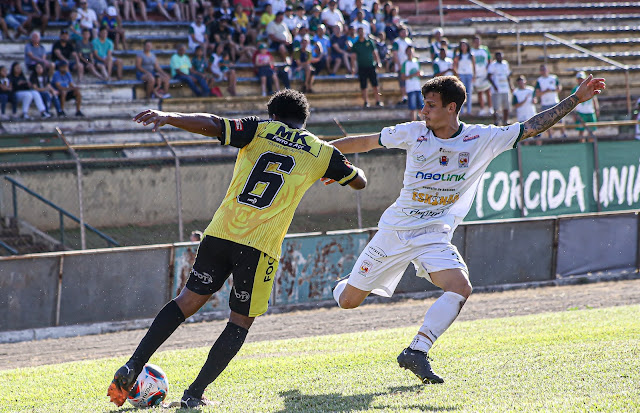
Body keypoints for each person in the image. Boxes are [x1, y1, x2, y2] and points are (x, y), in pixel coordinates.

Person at [327, 74, 605, 385]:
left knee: (461, 288)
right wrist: (323, 158)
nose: (423, 111)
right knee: (348, 301)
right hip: (395, 232)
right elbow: (364, 142)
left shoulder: (481, 138)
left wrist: (576, 99)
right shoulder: (414, 132)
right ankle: (345, 283)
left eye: (430, 106)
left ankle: (416, 351)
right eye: (424, 105)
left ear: (452, 107)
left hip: (433, 234)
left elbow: (532, 126)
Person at [107, 89, 367, 408]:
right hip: (259, 247)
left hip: (219, 234)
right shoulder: (320, 151)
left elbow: (214, 124)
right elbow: (360, 182)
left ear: (274, 115)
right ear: (304, 119)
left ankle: (134, 364)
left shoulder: (258, 128)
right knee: (240, 321)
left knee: (187, 301)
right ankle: (194, 394)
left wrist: (169, 117)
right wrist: (339, 175)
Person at [351, 26, 382, 108]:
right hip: (362, 67)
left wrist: (378, 62)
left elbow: (375, 53)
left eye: (362, 31)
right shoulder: (356, 44)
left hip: (371, 66)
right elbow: (353, 57)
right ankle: (366, 102)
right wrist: (353, 67)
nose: (361, 33)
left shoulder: (370, 42)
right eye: (359, 32)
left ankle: (378, 100)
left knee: (375, 84)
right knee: (363, 86)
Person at [535, 64, 565, 138]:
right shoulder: (539, 80)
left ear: (547, 70)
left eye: (544, 69)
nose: (543, 71)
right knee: (547, 121)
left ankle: (563, 134)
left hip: (555, 101)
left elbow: (559, 89)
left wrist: (552, 90)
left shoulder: (554, 78)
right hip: (545, 103)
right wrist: (546, 91)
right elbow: (537, 93)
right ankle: (550, 135)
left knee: (560, 118)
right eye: (542, 70)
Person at [571, 71, 599, 139]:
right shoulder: (575, 89)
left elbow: (594, 99)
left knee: (592, 132)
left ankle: (591, 147)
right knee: (581, 132)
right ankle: (581, 147)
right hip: (581, 113)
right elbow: (572, 102)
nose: (581, 80)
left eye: (582, 79)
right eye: (579, 79)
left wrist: (597, 109)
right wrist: (574, 113)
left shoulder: (589, 87)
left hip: (590, 112)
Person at [487, 50, 511, 126]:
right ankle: (496, 121)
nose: (499, 57)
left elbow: (508, 76)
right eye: (498, 56)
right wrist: (494, 86)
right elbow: (489, 76)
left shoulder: (505, 64)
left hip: (505, 88)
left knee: (506, 106)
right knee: (496, 107)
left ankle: (505, 120)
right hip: (497, 89)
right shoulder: (493, 65)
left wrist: (511, 86)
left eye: (500, 56)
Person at [453, 39, 475, 115]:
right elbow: (454, 65)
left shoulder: (471, 55)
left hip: (469, 74)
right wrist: (457, 74)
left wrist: (474, 75)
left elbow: (474, 66)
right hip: (461, 74)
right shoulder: (459, 56)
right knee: (461, 92)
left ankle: (469, 111)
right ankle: (461, 111)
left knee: (469, 92)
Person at [471, 34, 491, 116]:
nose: (477, 43)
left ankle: (490, 108)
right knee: (480, 92)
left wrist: (488, 70)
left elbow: (489, 60)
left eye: (478, 41)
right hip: (477, 74)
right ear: (473, 43)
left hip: (485, 73)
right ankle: (482, 108)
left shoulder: (485, 49)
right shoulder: (471, 51)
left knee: (488, 91)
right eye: (475, 41)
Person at [401, 45, 421, 121]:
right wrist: (413, 75)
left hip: (417, 87)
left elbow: (419, 72)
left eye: (411, 51)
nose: (410, 53)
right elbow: (403, 77)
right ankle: (413, 123)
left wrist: (419, 74)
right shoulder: (405, 64)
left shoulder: (416, 62)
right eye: (409, 51)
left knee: (420, 108)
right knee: (412, 109)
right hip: (410, 88)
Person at [391, 25, 411, 104]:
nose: (404, 33)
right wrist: (398, 65)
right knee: (402, 81)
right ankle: (404, 96)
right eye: (402, 32)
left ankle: (408, 95)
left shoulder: (409, 41)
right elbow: (395, 54)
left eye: (405, 32)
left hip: (409, 64)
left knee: (409, 80)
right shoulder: (397, 42)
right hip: (401, 64)